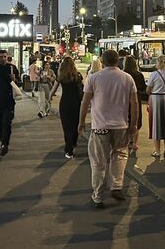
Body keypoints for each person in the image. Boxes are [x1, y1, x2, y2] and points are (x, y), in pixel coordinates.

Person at [78, 49, 138, 208]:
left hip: (100, 127)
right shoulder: (127, 78)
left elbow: (85, 102)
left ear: (102, 62)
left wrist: (81, 122)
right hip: (121, 126)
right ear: (117, 61)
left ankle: (97, 196)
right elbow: (134, 103)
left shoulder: (94, 78)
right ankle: (117, 186)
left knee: (98, 161)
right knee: (120, 155)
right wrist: (133, 125)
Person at [49, 57, 84, 159]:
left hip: (65, 103)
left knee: (66, 126)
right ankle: (73, 142)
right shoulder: (78, 76)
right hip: (76, 103)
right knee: (75, 124)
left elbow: (53, 90)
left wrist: (50, 98)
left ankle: (69, 150)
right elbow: (82, 89)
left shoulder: (61, 76)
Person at [146, 55, 165, 157]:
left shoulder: (154, 74)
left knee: (156, 124)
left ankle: (157, 151)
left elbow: (148, 90)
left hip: (156, 99)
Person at [123, 55, 145, 152]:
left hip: (124, 99)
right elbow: (143, 88)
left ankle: (127, 142)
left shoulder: (123, 74)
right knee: (136, 119)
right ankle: (135, 143)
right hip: (137, 98)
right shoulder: (139, 74)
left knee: (126, 118)